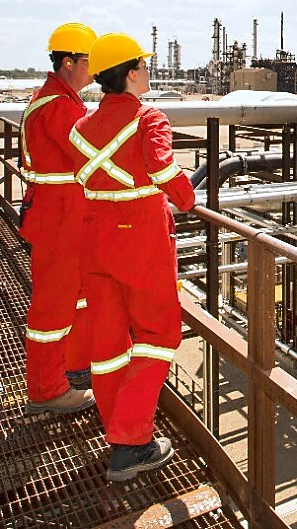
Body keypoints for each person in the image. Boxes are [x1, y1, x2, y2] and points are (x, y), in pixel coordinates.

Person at [68, 32, 196, 482]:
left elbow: (80, 174)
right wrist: (187, 198)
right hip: (139, 236)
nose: (147, 71)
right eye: (142, 64)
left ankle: (116, 426)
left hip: (95, 235)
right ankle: (130, 442)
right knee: (159, 335)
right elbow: (163, 169)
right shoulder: (149, 119)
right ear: (128, 73)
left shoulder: (81, 126)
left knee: (107, 345)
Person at [21, 21, 98, 415]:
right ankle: (47, 390)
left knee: (76, 298)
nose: (95, 67)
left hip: (64, 218)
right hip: (59, 222)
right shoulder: (59, 108)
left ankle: (74, 368)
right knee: (53, 308)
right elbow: (93, 156)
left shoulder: (58, 100)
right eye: (90, 59)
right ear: (69, 62)